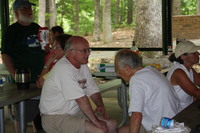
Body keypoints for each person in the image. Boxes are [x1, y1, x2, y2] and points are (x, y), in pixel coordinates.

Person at [39, 36, 117, 133]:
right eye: (84, 51)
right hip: (55, 117)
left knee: (111, 124)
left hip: (75, 113)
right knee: (99, 130)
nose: (88, 53)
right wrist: (96, 121)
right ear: (71, 52)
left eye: (89, 50)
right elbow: (81, 99)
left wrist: (100, 105)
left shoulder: (82, 65)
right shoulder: (63, 68)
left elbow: (93, 90)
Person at [1, 0, 45, 132]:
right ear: (16, 12)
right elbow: (5, 55)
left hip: (40, 78)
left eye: (30, 8)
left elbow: (44, 49)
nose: (29, 10)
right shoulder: (11, 31)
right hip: (23, 80)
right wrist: (15, 74)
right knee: (22, 115)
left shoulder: (37, 27)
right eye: (24, 8)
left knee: (41, 114)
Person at [114, 49, 181, 133]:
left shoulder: (136, 79)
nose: (117, 74)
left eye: (117, 69)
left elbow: (136, 115)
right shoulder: (151, 70)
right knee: (120, 130)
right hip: (173, 121)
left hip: (162, 128)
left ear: (127, 68)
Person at [167, 40, 200, 110]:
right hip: (178, 112)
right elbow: (197, 93)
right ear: (182, 57)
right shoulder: (178, 72)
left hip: (187, 107)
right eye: (194, 53)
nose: (198, 54)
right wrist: (195, 95)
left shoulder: (189, 69)